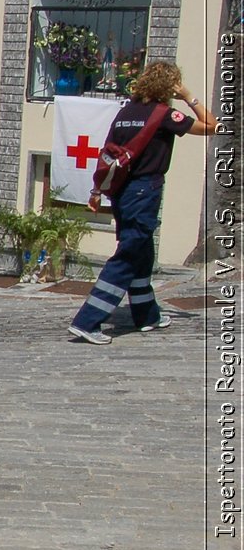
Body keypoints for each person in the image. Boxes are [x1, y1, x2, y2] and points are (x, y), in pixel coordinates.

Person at [69, 63, 218, 344]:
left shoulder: (125, 112)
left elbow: (108, 153)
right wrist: (189, 96)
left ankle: (147, 316)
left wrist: (97, 190)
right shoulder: (164, 115)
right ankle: (87, 321)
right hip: (144, 190)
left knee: (142, 253)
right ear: (169, 86)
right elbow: (212, 125)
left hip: (121, 192)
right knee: (128, 255)